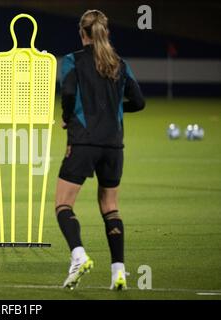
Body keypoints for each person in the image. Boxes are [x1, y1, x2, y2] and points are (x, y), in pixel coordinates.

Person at [56, 10, 145, 290]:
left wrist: (68, 118)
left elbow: (69, 93)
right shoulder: (119, 63)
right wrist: (116, 109)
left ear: (82, 33)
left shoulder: (72, 61)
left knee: (63, 204)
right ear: (105, 33)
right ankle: (118, 271)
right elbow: (139, 102)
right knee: (110, 207)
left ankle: (79, 255)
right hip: (113, 146)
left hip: (83, 142)